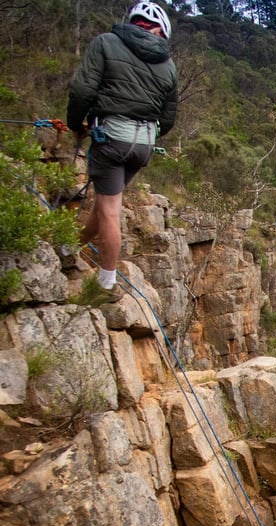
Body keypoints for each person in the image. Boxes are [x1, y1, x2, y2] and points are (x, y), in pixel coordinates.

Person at [66, 1, 178, 301]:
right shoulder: (168, 65)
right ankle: (68, 247)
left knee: (109, 208)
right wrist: (147, 135)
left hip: (111, 138)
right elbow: (167, 118)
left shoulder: (107, 42)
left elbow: (82, 91)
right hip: (143, 145)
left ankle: (106, 284)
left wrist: (76, 123)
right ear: (161, 32)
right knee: (106, 203)